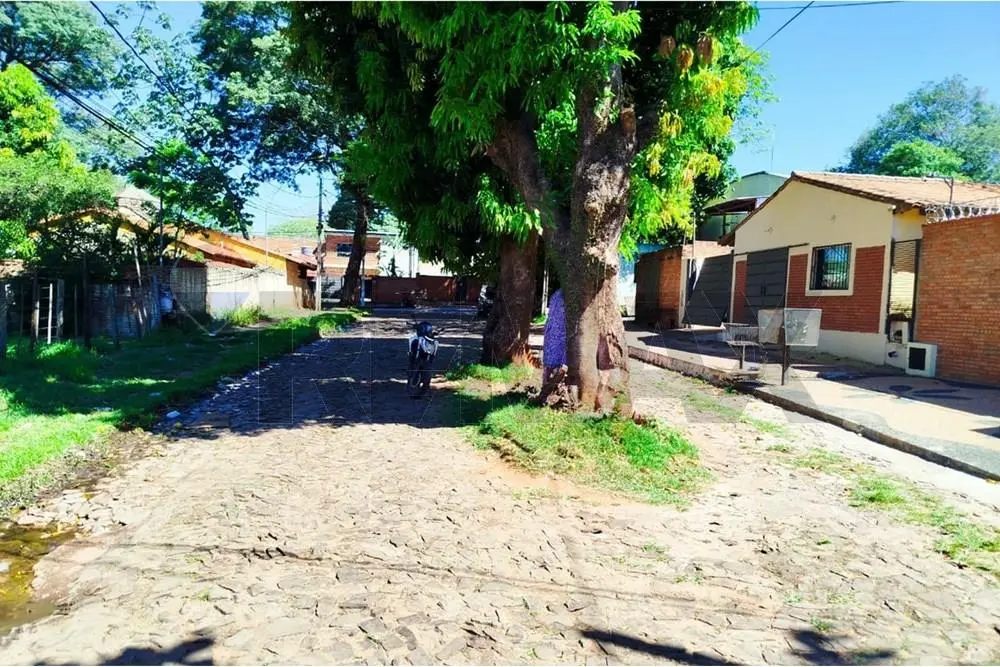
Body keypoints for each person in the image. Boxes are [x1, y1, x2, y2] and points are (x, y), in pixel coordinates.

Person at [542, 288, 566, 384]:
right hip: (556, 336)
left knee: (550, 366)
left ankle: (548, 383)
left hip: (553, 335)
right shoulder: (560, 295)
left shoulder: (556, 295)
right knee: (554, 365)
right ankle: (549, 383)